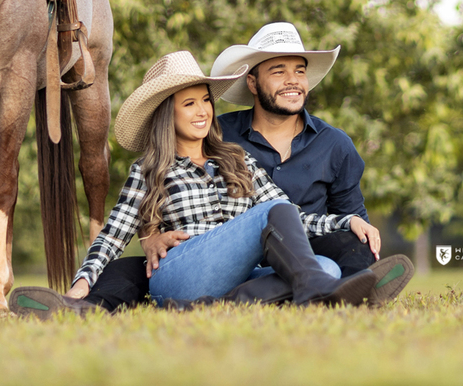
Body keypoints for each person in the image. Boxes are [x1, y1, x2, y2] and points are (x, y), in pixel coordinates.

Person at [9, 50, 377, 317]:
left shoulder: (237, 160)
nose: (203, 111)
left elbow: (291, 218)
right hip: (182, 270)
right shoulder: (150, 169)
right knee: (280, 225)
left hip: (235, 275)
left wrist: (346, 222)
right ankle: (313, 292)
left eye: (205, 101)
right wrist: (81, 285)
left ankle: (210, 309)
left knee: (326, 267)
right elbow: (111, 236)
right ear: (167, 112)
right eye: (189, 104)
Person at [140, 22, 414, 308]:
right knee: (272, 215)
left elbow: (350, 217)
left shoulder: (335, 144)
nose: (292, 80)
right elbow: (158, 178)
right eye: (278, 71)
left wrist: (356, 227)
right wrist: (149, 237)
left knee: (351, 246)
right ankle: (325, 293)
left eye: (299, 71)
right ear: (252, 82)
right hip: (226, 256)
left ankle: (343, 288)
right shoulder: (217, 135)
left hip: (302, 251)